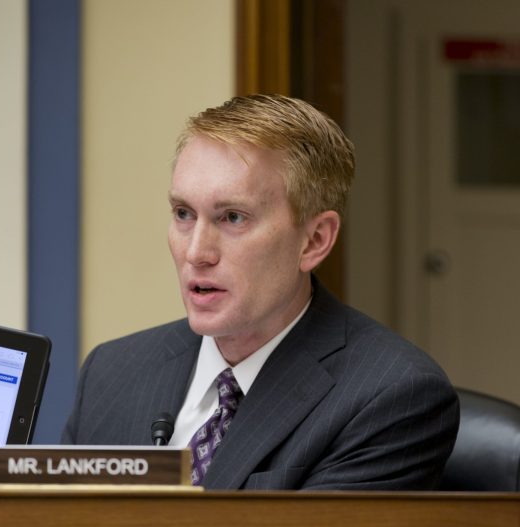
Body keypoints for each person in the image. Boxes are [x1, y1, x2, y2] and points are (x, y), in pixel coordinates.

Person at [61, 94, 459, 490]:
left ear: (314, 241)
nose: (196, 252)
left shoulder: (391, 396)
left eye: (233, 218)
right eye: (183, 214)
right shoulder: (111, 372)